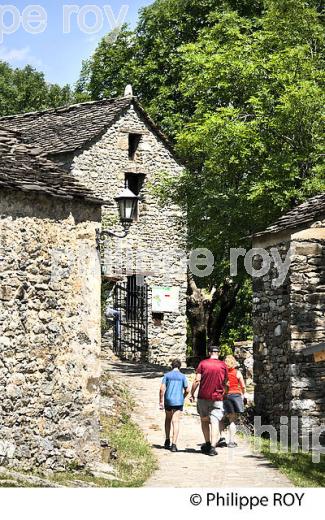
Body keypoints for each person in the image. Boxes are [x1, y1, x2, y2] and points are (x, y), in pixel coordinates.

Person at [190, 346, 228, 456]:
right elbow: (225, 382)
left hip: (203, 396)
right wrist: (224, 394)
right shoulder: (223, 365)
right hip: (217, 397)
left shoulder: (203, 363)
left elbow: (197, 380)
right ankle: (212, 447)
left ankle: (207, 443)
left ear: (209, 352)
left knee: (204, 420)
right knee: (215, 421)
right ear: (218, 353)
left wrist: (192, 393)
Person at [159, 359, 189, 452]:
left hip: (168, 401)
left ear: (171, 366)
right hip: (178, 401)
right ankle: (174, 444)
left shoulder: (167, 375)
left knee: (168, 419)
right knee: (175, 422)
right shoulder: (183, 376)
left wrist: (160, 401)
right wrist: (182, 397)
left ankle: (167, 440)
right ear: (179, 366)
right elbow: (187, 390)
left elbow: (162, 389)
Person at [223, 354, 246, 448]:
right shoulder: (237, 372)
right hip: (236, 396)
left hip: (226, 396)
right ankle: (231, 441)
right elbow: (243, 386)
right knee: (233, 420)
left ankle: (220, 438)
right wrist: (244, 394)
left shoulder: (223, 373)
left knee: (222, 418)